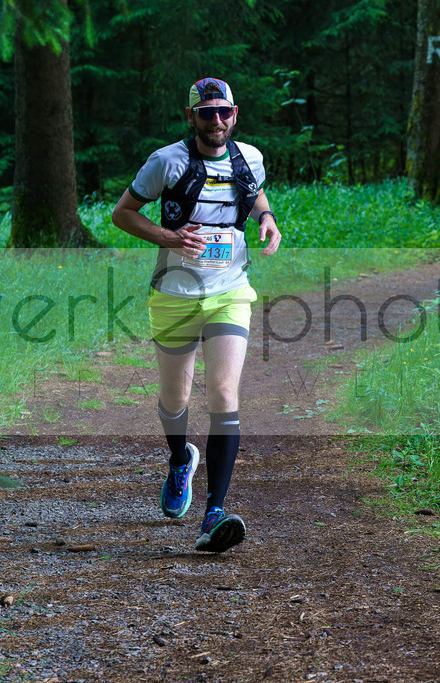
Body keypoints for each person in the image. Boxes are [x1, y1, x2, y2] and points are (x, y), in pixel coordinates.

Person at [112, 77, 281, 553]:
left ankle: (214, 513)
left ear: (234, 114)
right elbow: (122, 213)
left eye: (224, 112)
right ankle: (179, 457)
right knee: (175, 397)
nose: (217, 121)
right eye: (207, 113)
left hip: (230, 292)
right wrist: (167, 237)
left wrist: (266, 219)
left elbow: (256, 195)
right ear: (192, 118)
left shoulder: (250, 157)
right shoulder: (167, 161)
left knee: (224, 392)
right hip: (174, 293)